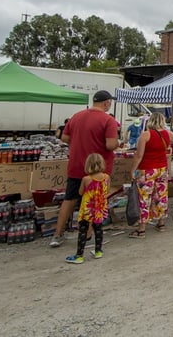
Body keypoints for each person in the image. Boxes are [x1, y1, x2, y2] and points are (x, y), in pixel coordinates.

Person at [51, 90, 120, 248]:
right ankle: (88, 235)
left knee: (69, 200)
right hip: (97, 169)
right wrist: (117, 143)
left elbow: (65, 138)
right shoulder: (108, 120)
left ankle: (57, 234)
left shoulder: (77, 116)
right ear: (107, 102)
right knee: (94, 202)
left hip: (76, 165)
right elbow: (110, 144)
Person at [127, 112, 173, 238]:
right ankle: (161, 223)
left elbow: (138, 155)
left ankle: (142, 229)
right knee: (161, 195)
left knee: (144, 198)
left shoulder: (146, 135)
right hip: (162, 169)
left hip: (147, 170)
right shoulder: (167, 133)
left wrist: (132, 170)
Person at [65, 153, 110, 264]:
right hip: (99, 207)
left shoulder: (86, 179)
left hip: (87, 209)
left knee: (83, 231)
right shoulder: (106, 177)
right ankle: (98, 251)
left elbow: (80, 192)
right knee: (98, 229)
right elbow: (107, 191)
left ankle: (79, 255)